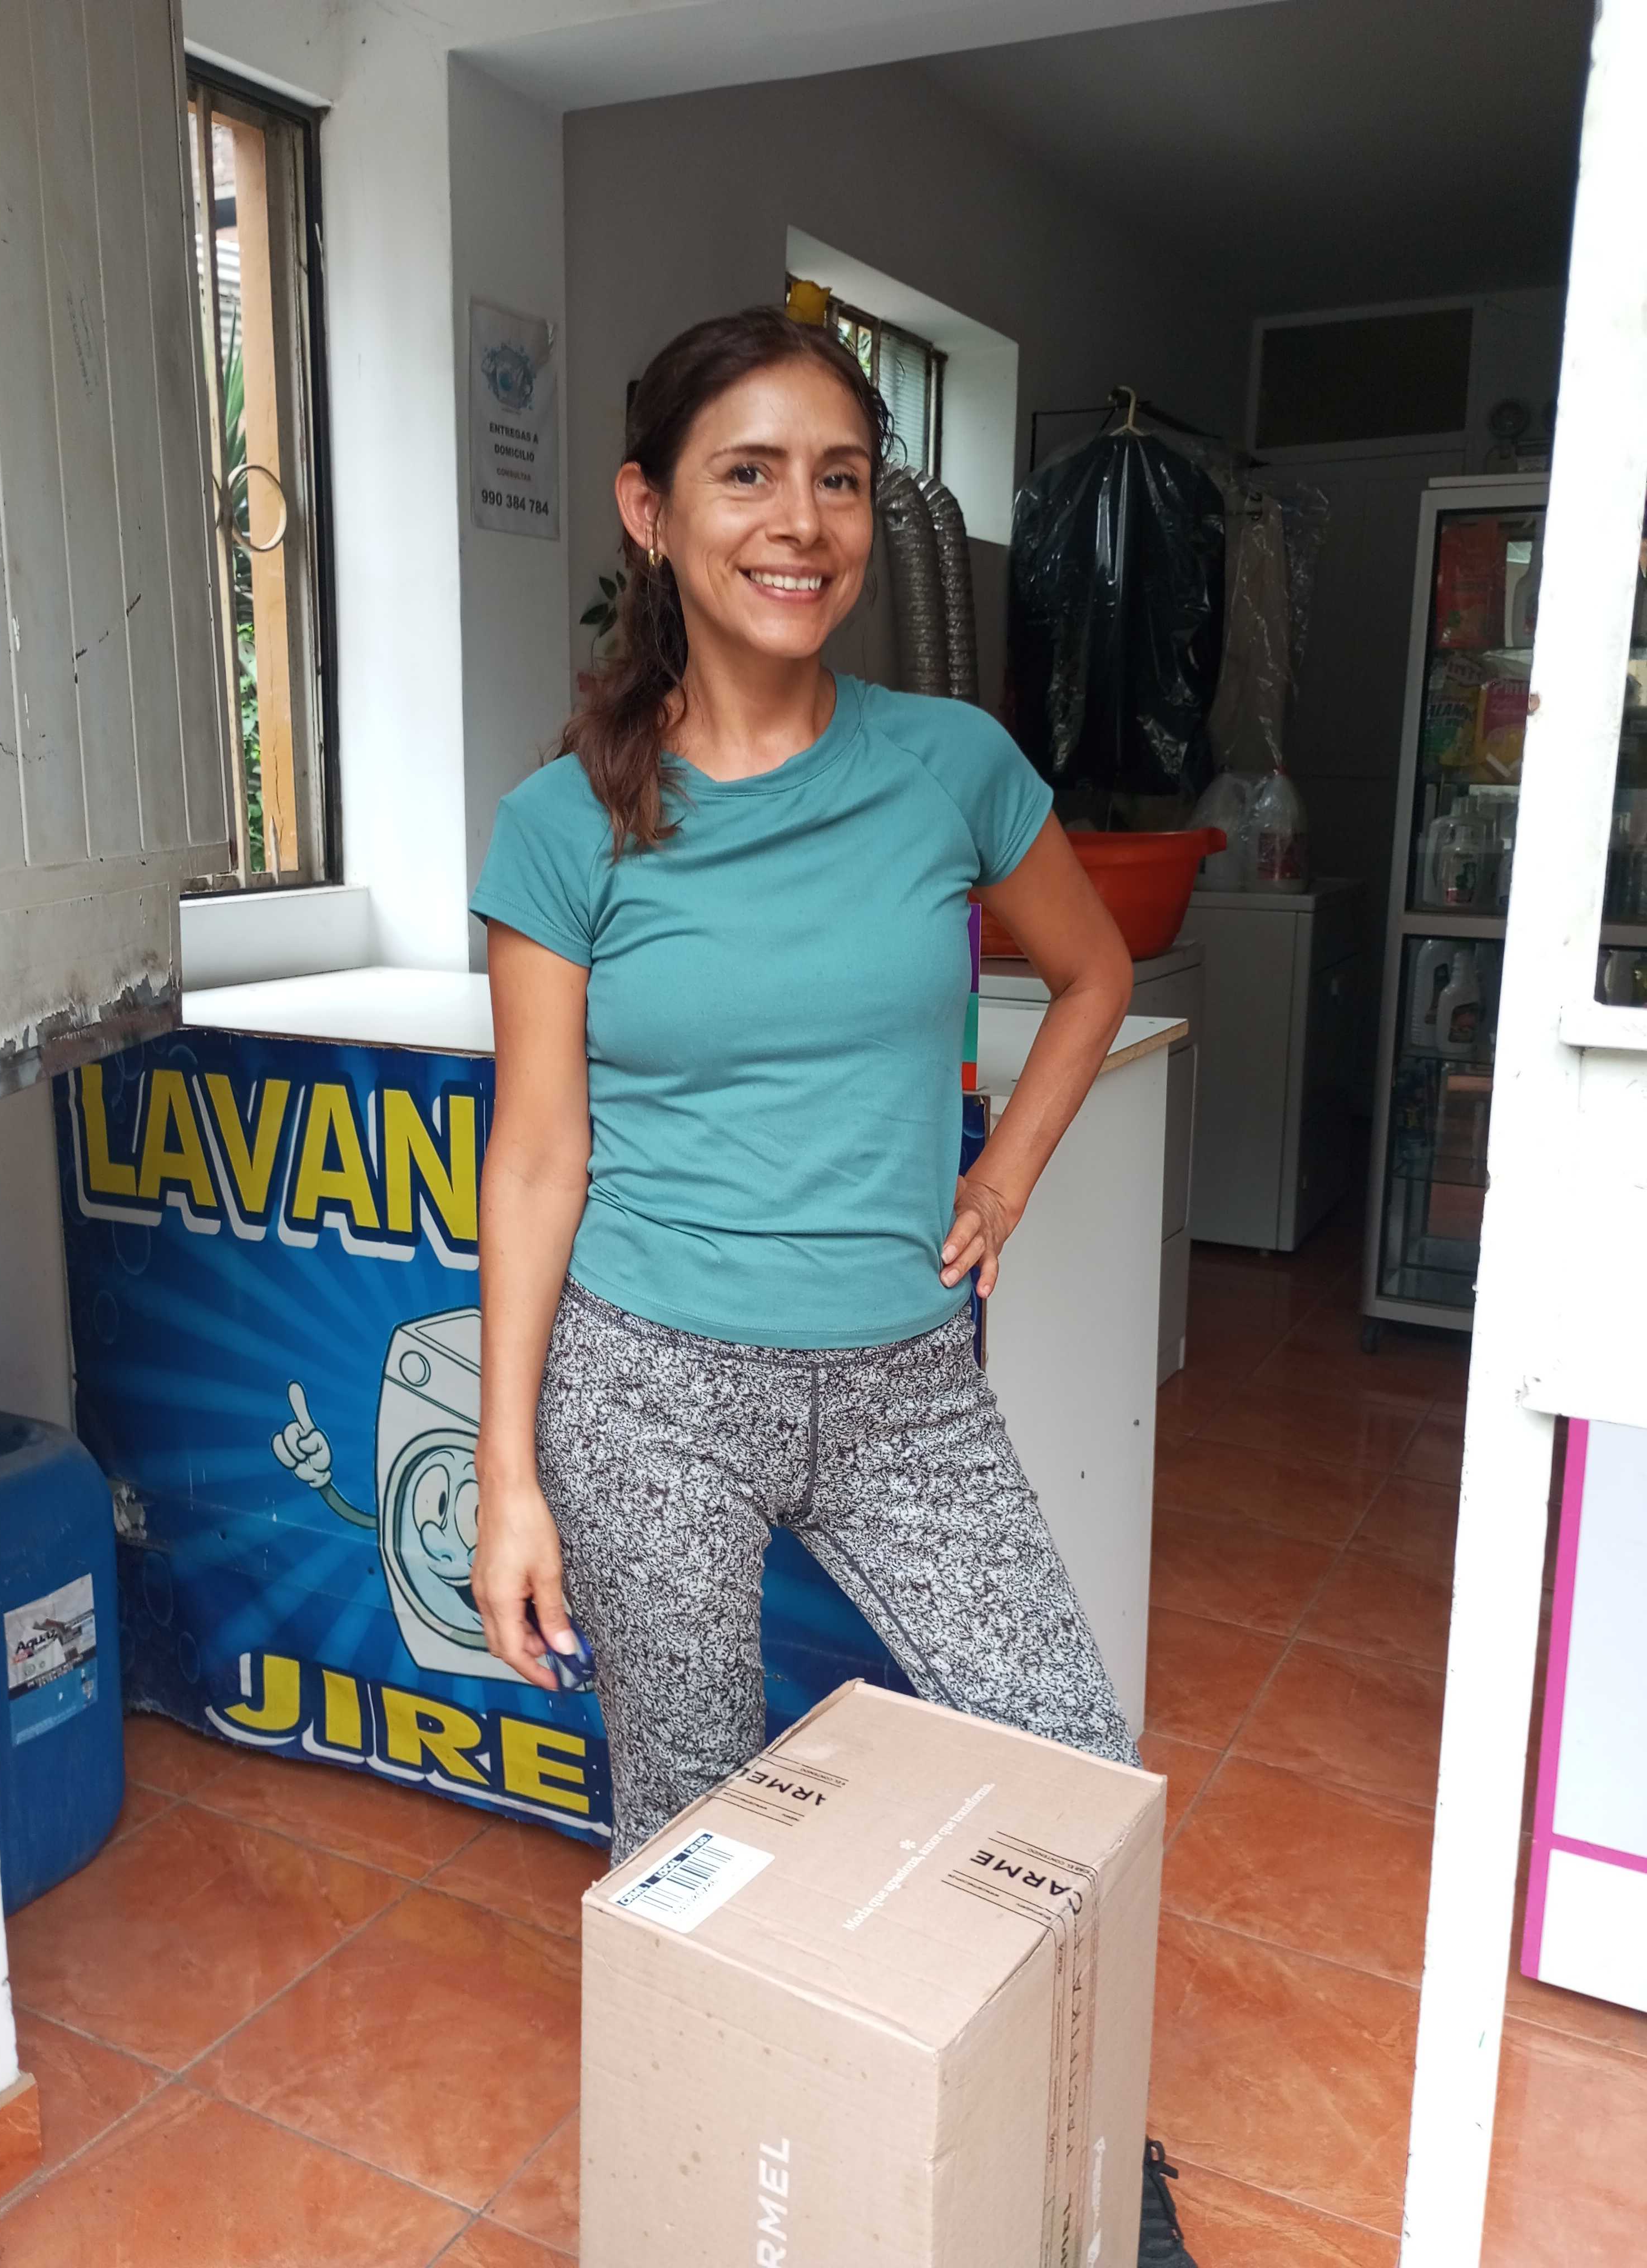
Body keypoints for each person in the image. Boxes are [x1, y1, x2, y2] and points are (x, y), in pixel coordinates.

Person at [467, 306, 1197, 2268]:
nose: (804, 522)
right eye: (750, 474)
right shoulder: (561, 824)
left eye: (844, 479)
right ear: (650, 510)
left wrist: (1007, 1168)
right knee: (691, 1833)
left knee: (1069, 1762)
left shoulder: (950, 764)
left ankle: (1085, 2165)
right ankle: (738, 2189)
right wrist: (513, 1473)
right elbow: (536, 1158)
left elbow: (1096, 972)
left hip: (903, 1387)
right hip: (650, 1390)